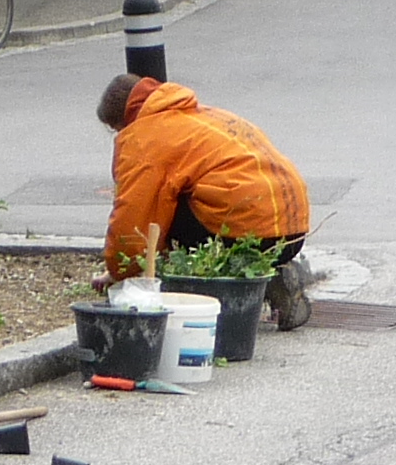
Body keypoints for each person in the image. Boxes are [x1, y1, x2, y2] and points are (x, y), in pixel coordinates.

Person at [98, 73, 313, 328]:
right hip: (292, 234)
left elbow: (134, 216)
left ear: (122, 119)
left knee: (163, 206)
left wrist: (123, 274)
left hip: (248, 233)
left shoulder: (145, 137)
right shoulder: (205, 115)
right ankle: (270, 274)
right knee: (189, 193)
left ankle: (194, 289)